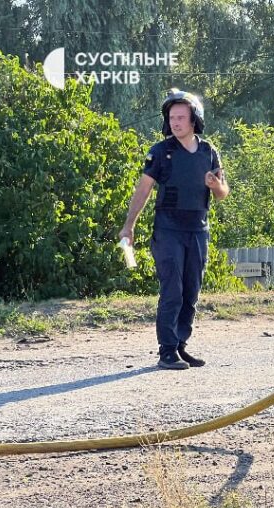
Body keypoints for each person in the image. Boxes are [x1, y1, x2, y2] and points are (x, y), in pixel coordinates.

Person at [119, 89, 229, 370]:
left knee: (191, 290)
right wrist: (128, 226)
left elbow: (222, 192)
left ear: (195, 120)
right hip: (168, 229)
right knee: (173, 289)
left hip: (198, 229)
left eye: (181, 117)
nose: (176, 122)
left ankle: (181, 345)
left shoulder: (209, 151)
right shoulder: (160, 152)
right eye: (172, 118)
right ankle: (166, 350)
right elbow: (143, 190)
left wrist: (215, 186)